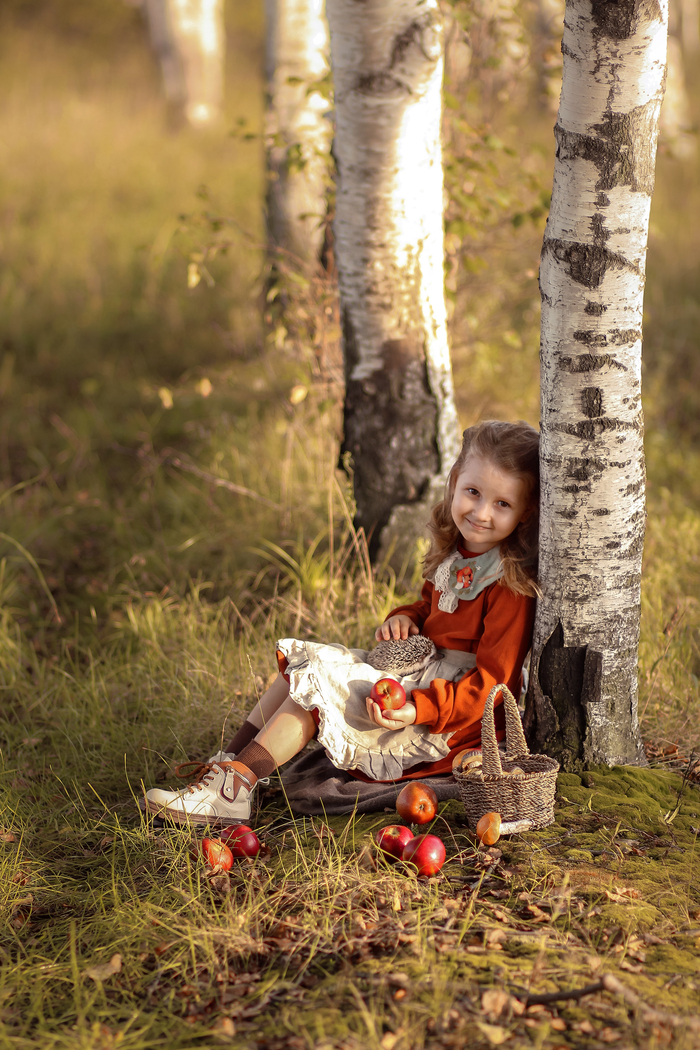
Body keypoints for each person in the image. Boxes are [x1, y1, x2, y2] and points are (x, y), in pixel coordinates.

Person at [143, 419, 540, 826]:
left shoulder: (508, 584)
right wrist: (405, 617)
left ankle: (234, 790)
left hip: (451, 720)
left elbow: (494, 685)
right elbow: (432, 610)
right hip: (418, 679)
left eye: (502, 504)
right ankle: (231, 771)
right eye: (472, 492)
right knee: (305, 669)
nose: (480, 512)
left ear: (525, 514)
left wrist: (417, 709)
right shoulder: (457, 552)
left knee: (321, 686)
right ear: (455, 481)